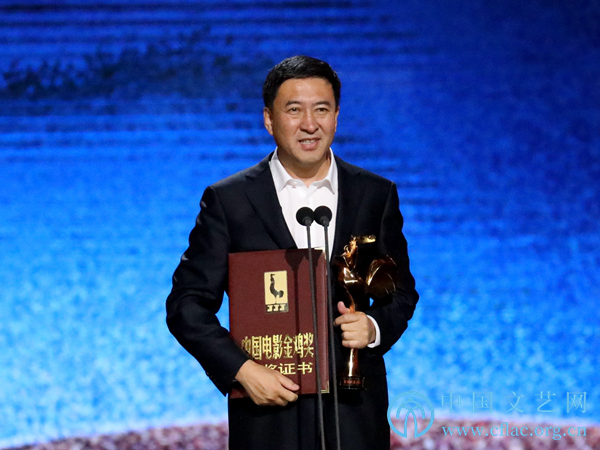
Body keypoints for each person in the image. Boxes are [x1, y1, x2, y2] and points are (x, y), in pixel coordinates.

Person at [166, 55, 419, 450]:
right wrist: (242, 370)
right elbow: (187, 304)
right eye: (294, 110)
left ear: (337, 116)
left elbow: (401, 293)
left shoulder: (374, 194)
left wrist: (373, 328)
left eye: (322, 109)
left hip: (354, 411)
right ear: (269, 120)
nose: (310, 124)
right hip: (268, 417)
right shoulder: (230, 201)